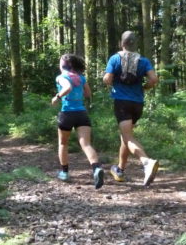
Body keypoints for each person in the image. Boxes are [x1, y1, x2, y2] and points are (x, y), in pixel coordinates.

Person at [103, 31, 159, 186]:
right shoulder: (143, 60)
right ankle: (120, 169)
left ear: (122, 43)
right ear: (135, 44)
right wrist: (146, 87)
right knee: (125, 136)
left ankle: (146, 162)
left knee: (127, 137)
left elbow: (107, 79)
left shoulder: (115, 58)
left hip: (122, 102)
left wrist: (110, 82)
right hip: (138, 103)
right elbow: (154, 79)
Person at [51, 54, 104, 189]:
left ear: (63, 65)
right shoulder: (81, 78)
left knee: (63, 143)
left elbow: (67, 87)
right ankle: (96, 168)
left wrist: (57, 96)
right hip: (81, 113)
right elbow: (88, 93)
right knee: (86, 144)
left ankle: (64, 172)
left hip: (67, 113)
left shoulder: (61, 77)